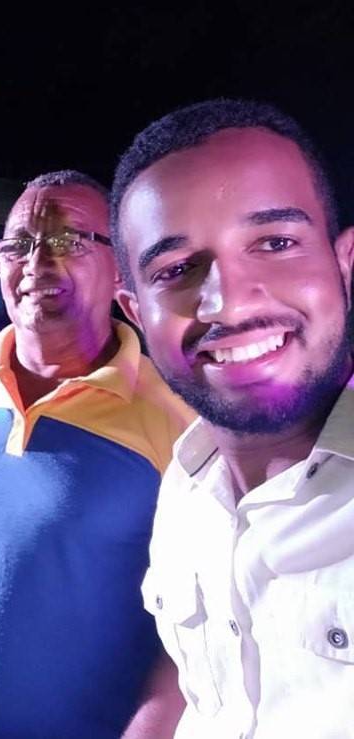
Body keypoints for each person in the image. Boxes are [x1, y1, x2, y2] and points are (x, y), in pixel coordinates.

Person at [0, 171, 193, 738]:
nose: (37, 262)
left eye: (69, 240)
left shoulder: (176, 419)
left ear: (122, 268)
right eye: (17, 244)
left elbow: (202, 620)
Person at [111, 99, 354, 738]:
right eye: (176, 270)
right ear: (136, 313)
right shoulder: (186, 486)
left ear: (345, 262)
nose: (227, 303)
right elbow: (200, 668)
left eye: (275, 243)